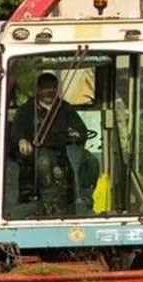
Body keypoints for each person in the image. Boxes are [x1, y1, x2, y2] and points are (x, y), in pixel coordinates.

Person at [9, 72, 98, 213]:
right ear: (37, 90)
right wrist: (22, 140)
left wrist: (77, 134)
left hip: (67, 150)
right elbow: (16, 132)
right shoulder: (26, 110)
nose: (50, 92)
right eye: (45, 88)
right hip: (40, 151)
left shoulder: (65, 108)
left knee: (91, 161)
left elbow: (81, 129)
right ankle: (50, 202)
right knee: (43, 162)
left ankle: (84, 198)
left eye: (53, 88)